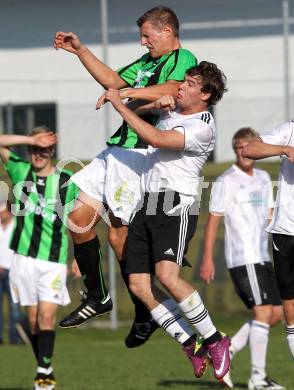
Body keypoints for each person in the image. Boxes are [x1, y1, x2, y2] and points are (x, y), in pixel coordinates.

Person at [54, 6, 198, 348]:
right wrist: (81, 51)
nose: (143, 41)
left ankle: (143, 308)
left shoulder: (182, 56)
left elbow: (174, 87)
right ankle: (99, 297)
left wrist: (128, 95)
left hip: (139, 154)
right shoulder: (146, 63)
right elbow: (114, 81)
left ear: (167, 32)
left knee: (120, 237)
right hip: (117, 150)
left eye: (148, 35)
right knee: (76, 215)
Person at [104, 61, 230, 382]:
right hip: (148, 202)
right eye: (184, 81)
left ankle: (216, 340)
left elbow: (157, 139)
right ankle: (191, 343)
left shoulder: (202, 126)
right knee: (138, 285)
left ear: (205, 94)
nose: (181, 86)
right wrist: (150, 103)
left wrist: (120, 104)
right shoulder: (175, 110)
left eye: (189, 83)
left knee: (168, 277)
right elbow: (146, 113)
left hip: (176, 204)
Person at [200, 127, 285, 390]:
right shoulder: (227, 180)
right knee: (262, 312)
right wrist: (207, 259)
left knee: (279, 312)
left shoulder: (262, 178)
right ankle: (257, 378)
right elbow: (214, 220)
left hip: (263, 257)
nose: (243, 151)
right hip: (243, 257)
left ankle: (228, 350)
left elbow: (271, 217)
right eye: (238, 147)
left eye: (247, 145)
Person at [0, 127, 79, 390]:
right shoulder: (21, 171)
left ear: (53, 151)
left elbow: (80, 223)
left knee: (46, 318)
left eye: (44, 149)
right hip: (22, 260)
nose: (38, 154)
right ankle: (45, 367)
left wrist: (81, 257)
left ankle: (43, 372)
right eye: (35, 149)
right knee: (34, 322)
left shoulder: (67, 182)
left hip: (54, 262)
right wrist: (30, 139)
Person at [242, 120, 294, 360]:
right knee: (290, 308)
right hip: (285, 231)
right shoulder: (290, 129)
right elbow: (250, 148)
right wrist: (284, 149)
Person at [0, 202, 23, 345]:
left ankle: (15, 338)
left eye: (2, 211)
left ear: (10, 212)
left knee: (15, 307)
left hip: (13, 273)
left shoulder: (18, 227)